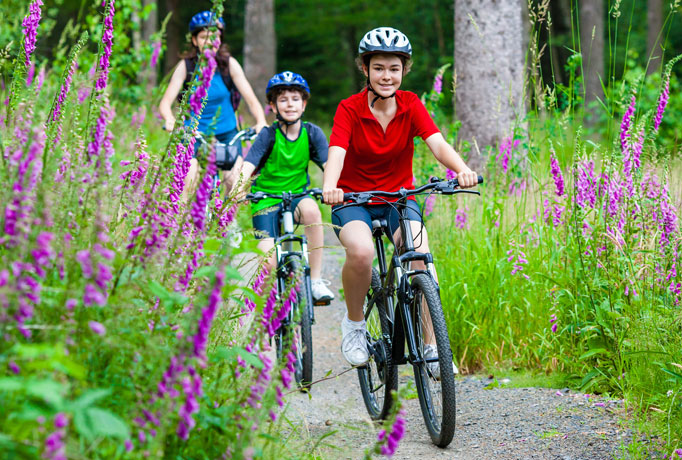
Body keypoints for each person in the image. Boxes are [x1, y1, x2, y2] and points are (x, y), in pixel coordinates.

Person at [322, 27, 478, 368]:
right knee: (361, 253)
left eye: (394, 68)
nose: (386, 76)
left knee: (419, 256)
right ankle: (354, 324)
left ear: (404, 70)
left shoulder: (410, 104)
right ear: (365, 69)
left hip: (399, 197)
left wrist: (462, 169)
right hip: (353, 200)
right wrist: (330, 185)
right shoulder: (349, 108)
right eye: (378, 67)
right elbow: (336, 150)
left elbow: (437, 143)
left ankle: (432, 346)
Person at [240, 71, 334, 303]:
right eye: (283, 99)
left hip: (298, 196)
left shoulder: (312, 133)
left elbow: (329, 166)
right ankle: (266, 315)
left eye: (295, 99)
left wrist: (337, 186)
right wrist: (240, 190)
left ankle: (315, 281)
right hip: (266, 200)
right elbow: (248, 165)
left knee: (312, 211)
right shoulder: (268, 136)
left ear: (303, 104)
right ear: (272, 106)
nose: (289, 104)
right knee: (268, 263)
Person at [158, 11, 267, 198]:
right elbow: (165, 103)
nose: (209, 42)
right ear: (194, 40)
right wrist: (169, 119)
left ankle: (228, 226)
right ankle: (182, 227)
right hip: (193, 135)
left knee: (237, 185)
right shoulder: (186, 67)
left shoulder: (229, 65)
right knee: (188, 181)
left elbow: (251, 100)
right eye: (203, 37)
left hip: (227, 135)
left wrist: (261, 121)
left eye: (214, 37)